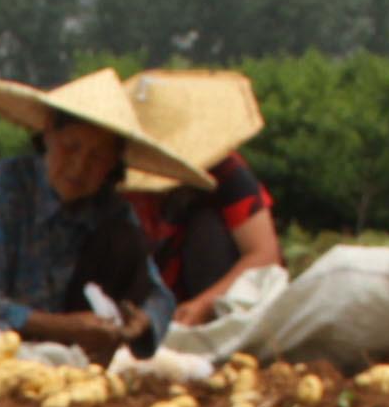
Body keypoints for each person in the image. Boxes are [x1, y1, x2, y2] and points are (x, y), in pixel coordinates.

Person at [0, 71, 204, 354]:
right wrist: (59, 326)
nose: (79, 168)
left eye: (97, 157)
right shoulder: (3, 187)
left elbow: (159, 296)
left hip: (80, 347)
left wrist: (143, 321)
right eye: (71, 147)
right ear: (49, 133)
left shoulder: (111, 209)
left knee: (123, 240)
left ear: (113, 164)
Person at [121, 69, 282, 329]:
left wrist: (204, 304)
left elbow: (264, 253)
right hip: (145, 295)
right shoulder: (116, 169)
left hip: (215, 292)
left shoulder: (224, 170)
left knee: (208, 230)